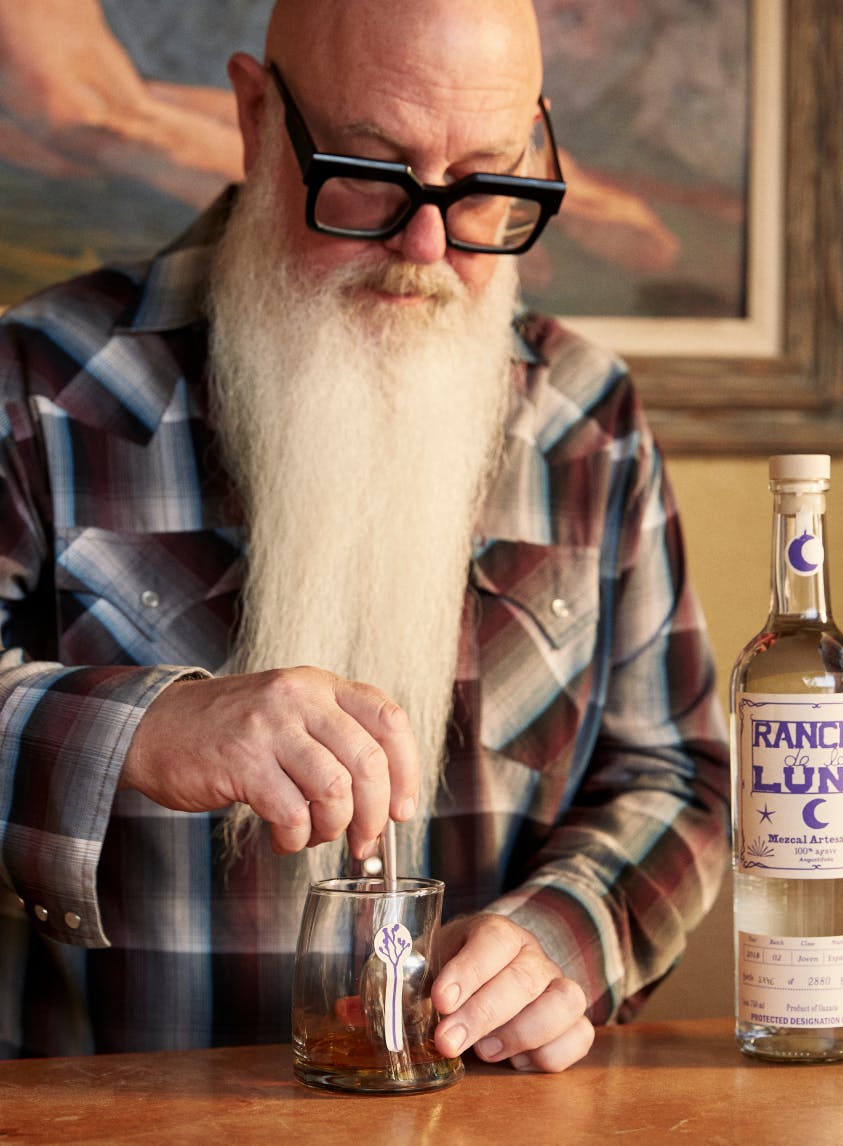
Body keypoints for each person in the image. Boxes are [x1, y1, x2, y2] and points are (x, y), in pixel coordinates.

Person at [0, 0, 730, 1070]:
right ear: (255, 119)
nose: (424, 244)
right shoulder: (37, 385)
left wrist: (567, 938)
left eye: (484, 180)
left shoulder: (587, 419)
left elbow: (679, 775)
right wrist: (148, 733)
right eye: (371, 173)